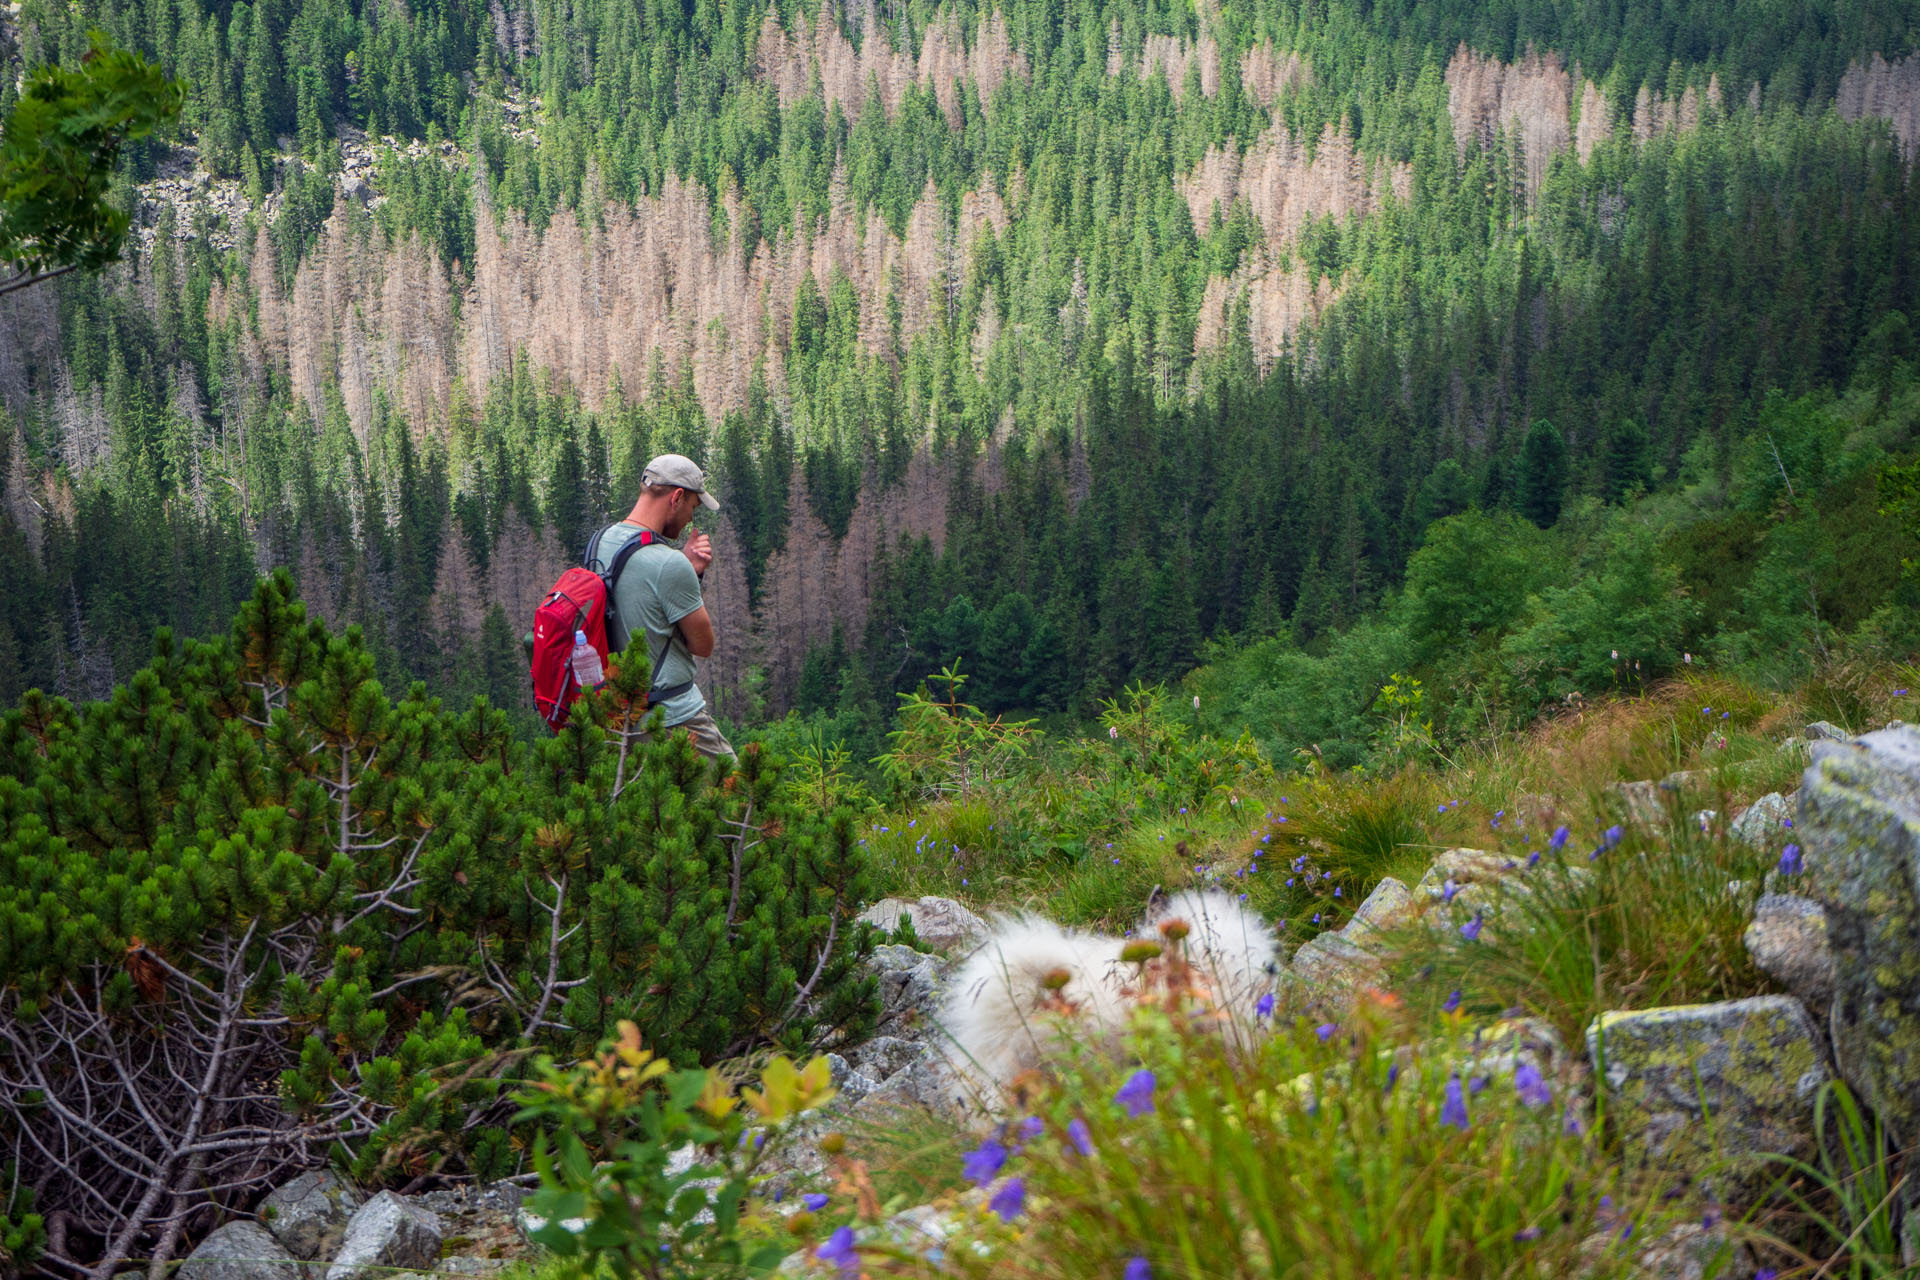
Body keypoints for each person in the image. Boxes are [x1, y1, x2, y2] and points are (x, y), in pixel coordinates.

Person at [594, 453, 735, 760]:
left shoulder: (601, 542)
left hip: (618, 721)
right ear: (677, 497)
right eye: (693, 508)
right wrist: (687, 571)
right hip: (674, 717)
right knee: (741, 799)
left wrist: (685, 567)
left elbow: (635, 599)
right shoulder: (669, 563)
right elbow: (703, 644)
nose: (690, 520)